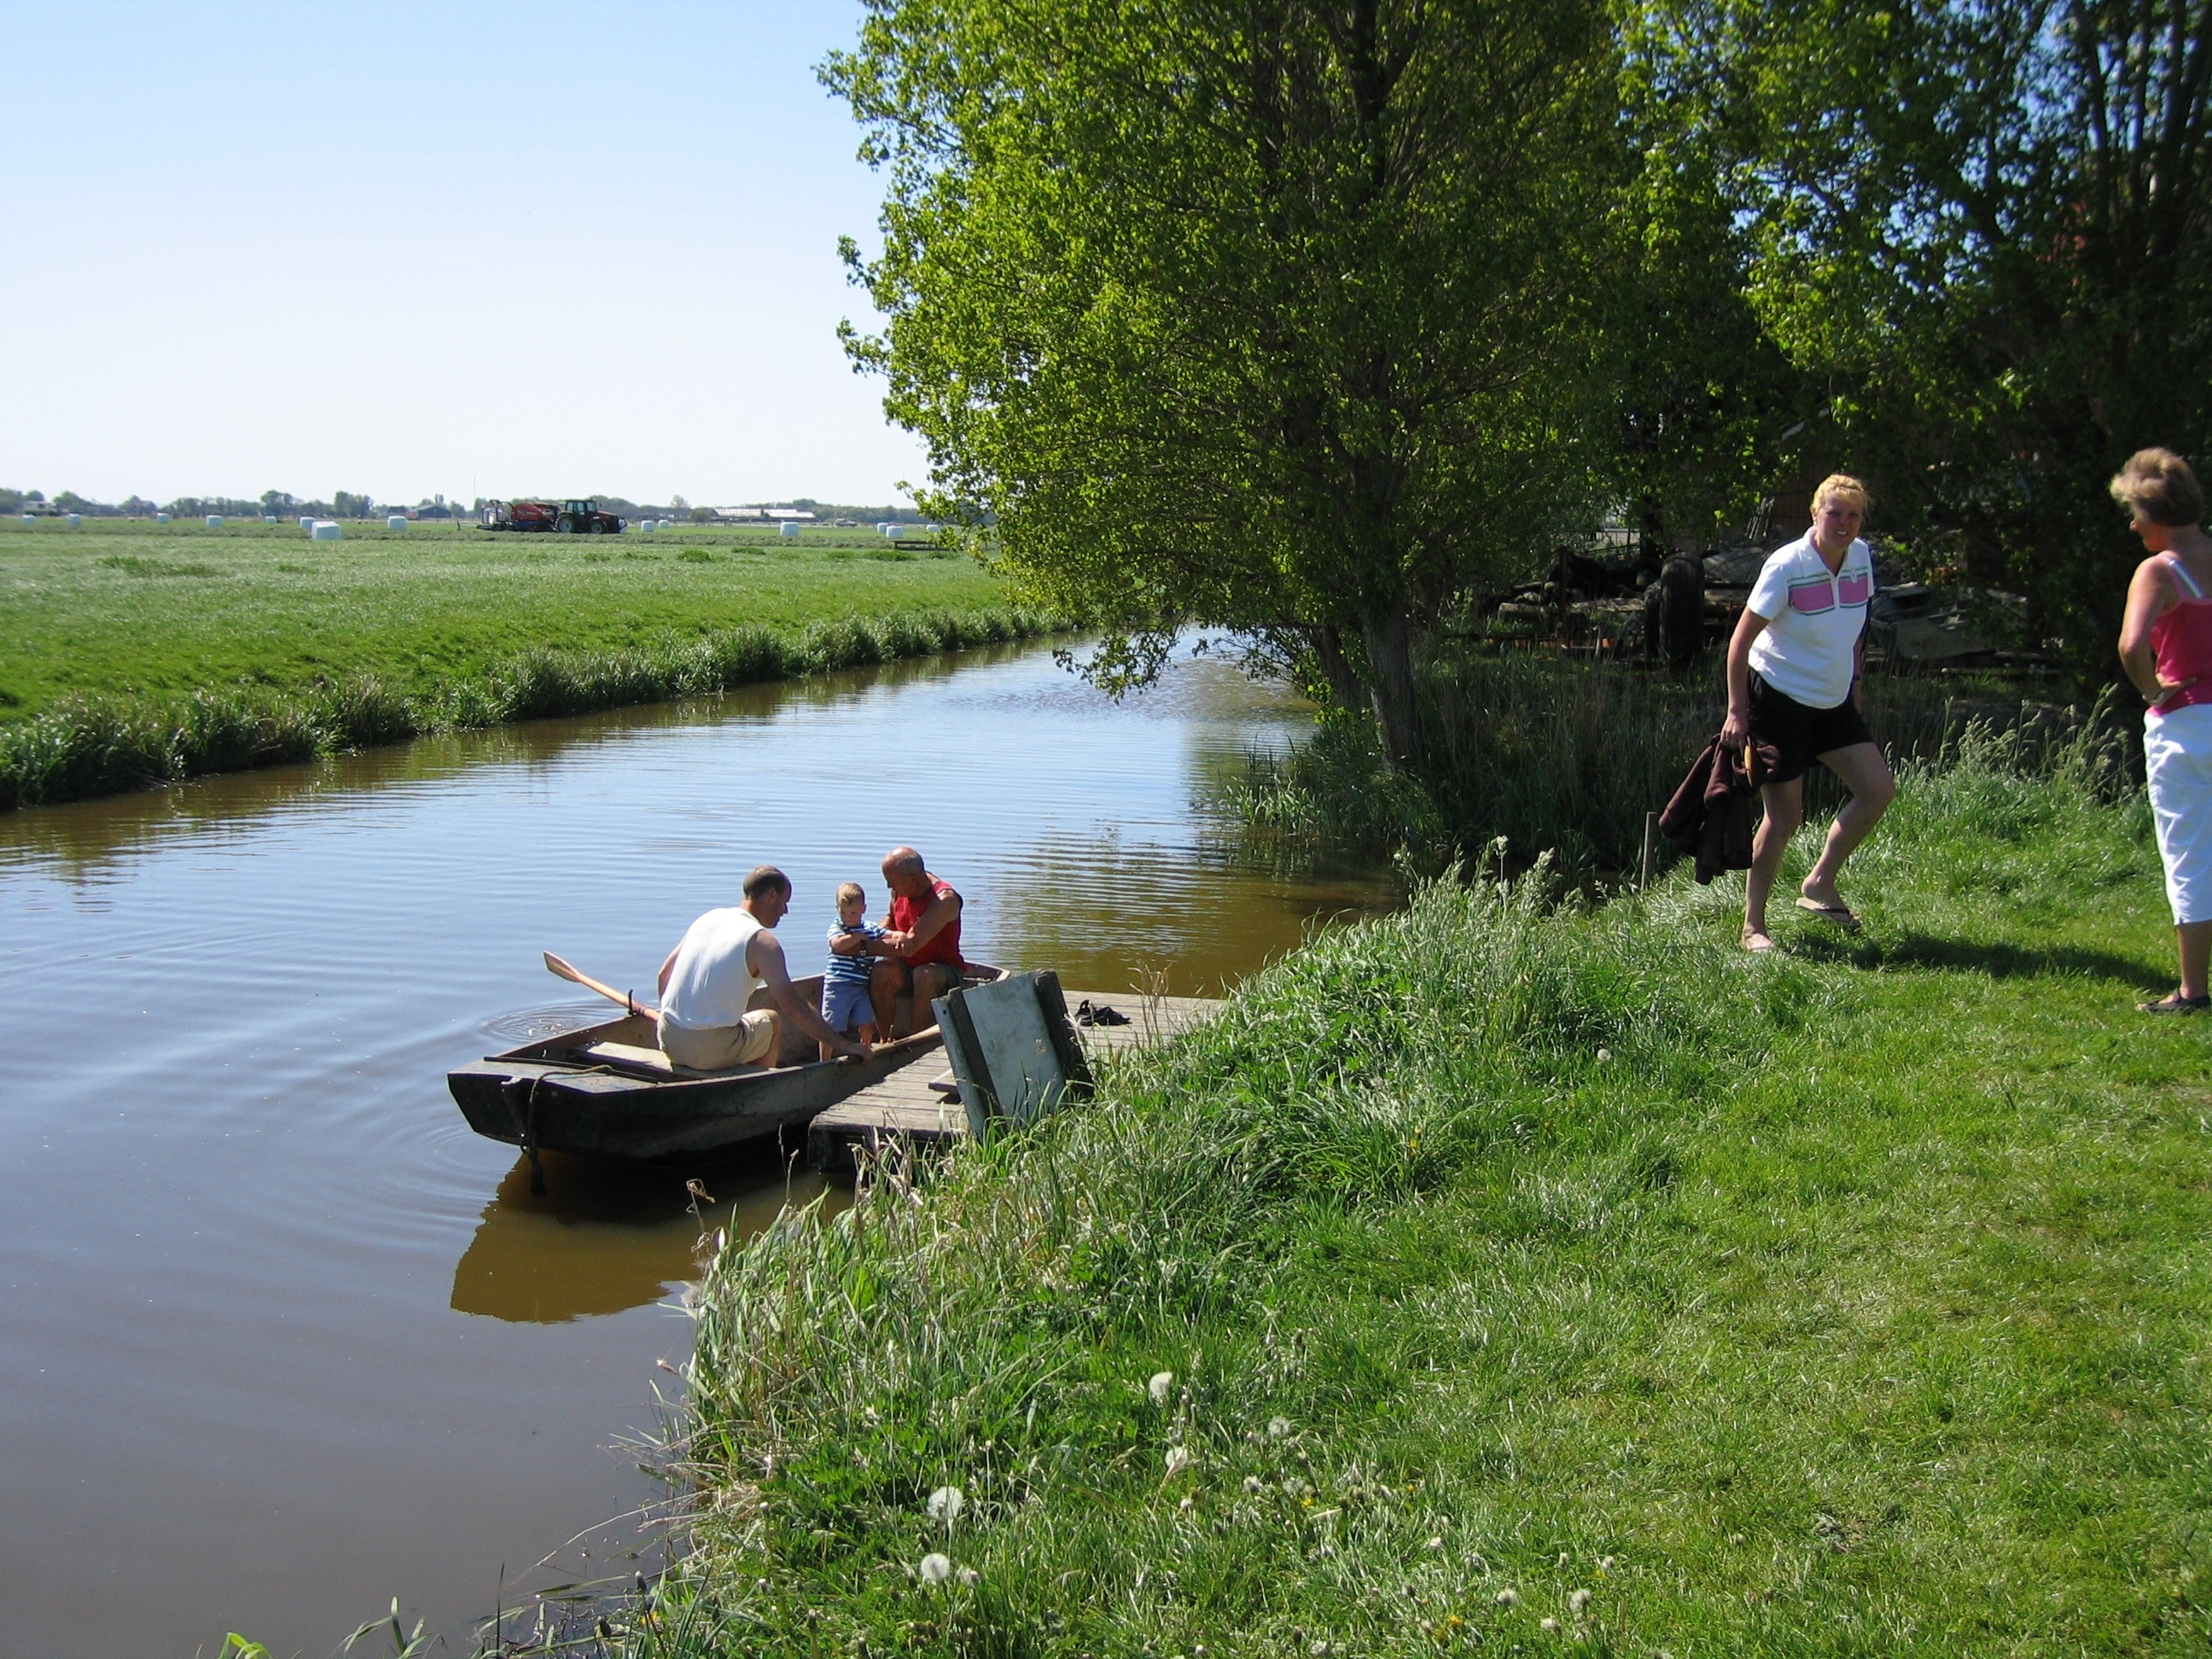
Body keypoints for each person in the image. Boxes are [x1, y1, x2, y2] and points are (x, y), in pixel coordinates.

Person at [1720, 473, 1898, 952]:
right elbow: (1740, 643)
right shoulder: (1788, 566)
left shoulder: (1860, 557)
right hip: (1777, 699)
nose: (1843, 523)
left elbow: (1855, 628)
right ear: (1815, 514)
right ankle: (1752, 927)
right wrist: (1737, 711)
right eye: (1834, 513)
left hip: (1833, 699)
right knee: (1784, 817)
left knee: (1878, 789)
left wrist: (1855, 682)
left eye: (1853, 514)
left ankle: (1819, 883)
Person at [2115, 447, 2212, 1013]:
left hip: (2187, 725)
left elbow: (2131, 646)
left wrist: (2152, 689)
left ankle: (2193, 990)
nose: (2133, 525)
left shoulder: (2159, 569)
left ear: (2156, 513)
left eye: (2136, 513)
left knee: (2191, 855)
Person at [655, 865, 869, 1070]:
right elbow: (793, 1008)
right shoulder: (762, 943)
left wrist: (678, 1025)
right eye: (785, 902)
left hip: (668, 1039)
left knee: (741, 1020)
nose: (785, 910)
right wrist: (845, 1045)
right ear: (771, 896)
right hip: (710, 1051)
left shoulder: (708, 918)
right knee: (772, 1020)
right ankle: (757, 1087)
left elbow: (663, 976)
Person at [869, 847, 964, 1039]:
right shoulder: (899, 890)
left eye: (892, 882)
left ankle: (916, 1041)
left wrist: (861, 948)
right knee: (879, 971)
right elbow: (889, 919)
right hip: (906, 968)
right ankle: (884, 1040)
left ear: (913, 878)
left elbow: (911, 945)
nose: (889, 887)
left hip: (944, 971)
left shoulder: (945, 899)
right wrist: (866, 936)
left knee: (924, 975)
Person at [820, 881, 891, 1059]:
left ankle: (865, 1050)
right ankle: (824, 1060)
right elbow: (837, 945)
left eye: (853, 913)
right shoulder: (838, 927)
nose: (848, 917)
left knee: (866, 1022)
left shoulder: (870, 928)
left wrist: (902, 937)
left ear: (863, 909)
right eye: (843, 912)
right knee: (830, 1025)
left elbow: (889, 935)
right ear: (837, 909)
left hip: (861, 986)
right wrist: (857, 937)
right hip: (838, 986)